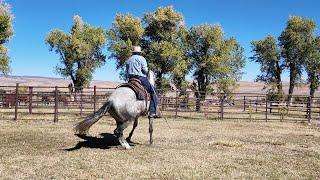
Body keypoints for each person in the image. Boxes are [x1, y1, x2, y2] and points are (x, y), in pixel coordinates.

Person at [126, 46, 160, 118]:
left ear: (133, 52)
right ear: (140, 53)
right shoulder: (142, 58)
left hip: (130, 79)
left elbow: (126, 71)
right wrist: (148, 71)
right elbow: (145, 70)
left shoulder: (129, 60)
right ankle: (152, 112)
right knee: (153, 91)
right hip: (140, 78)